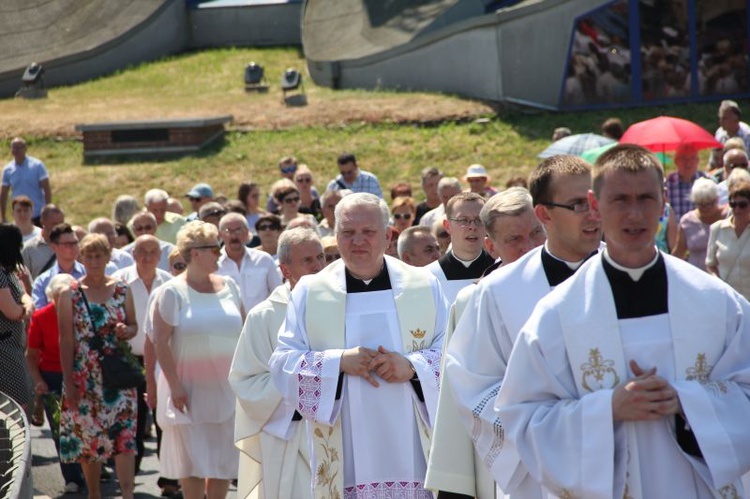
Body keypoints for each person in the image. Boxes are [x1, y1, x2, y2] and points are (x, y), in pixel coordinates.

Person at [496, 144, 750, 498]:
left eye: (646, 198)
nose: (635, 214)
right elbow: (524, 417)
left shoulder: (715, 302)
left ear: (664, 202)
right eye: (620, 200)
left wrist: (686, 402)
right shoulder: (557, 316)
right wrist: (608, 409)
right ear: (595, 205)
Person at [435, 159, 601, 498]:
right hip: (536, 464)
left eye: (534, 235)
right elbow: (471, 384)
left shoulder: (615, 271)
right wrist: (548, 425)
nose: (528, 246)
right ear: (491, 247)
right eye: (514, 239)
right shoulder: (491, 295)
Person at [269, 193, 448, 498]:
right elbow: (282, 363)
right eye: (348, 233)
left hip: (413, 443)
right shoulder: (311, 291)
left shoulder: (423, 284)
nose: (358, 242)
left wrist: (412, 366)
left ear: (388, 235)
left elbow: (453, 353)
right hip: (346, 445)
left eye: (368, 232)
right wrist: (337, 362)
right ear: (335, 235)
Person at [229, 228, 325, 499]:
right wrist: (306, 384)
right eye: (308, 260)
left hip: (339, 430)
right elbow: (246, 381)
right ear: (285, 269)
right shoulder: (265, 316)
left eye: (321, 257)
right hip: (289, 435)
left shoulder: (343, 306)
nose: (318, 266)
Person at [150, 221, 243, 499]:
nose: (220, 253)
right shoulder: (172, 291)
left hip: (226, 389)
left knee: (222, 460)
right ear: (195, 253)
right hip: (188, 390)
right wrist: (175, 385)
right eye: (215, 247)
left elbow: (244, 330)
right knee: (190, 462)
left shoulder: (231, 286)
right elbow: (160, 342)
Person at [58, 233, 138, 499]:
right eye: (88, 255)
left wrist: (127, 329)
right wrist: (68, 381)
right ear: (81, 257)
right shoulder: (69, 294)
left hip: (118, 375)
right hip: (85, 377)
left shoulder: (122, 289)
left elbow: (134, 325)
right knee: (91, 441)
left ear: (107, 257)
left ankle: (128, 494)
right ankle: (94, 494)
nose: (93, 260)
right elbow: (66, 339)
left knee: (124, 439)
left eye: (98, 255)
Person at [113, 235, 173, 474]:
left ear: (160, 256)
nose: (148, 257)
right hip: (130, 359)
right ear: (133, 254)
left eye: (153, 252)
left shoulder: (169, 282)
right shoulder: (120, 281)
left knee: (165, 420)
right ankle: (131, 475)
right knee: (133, 420)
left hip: (163, 360)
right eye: (142, 251)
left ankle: (169, 477)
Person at [26, 273, 86, 493]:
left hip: (82, 374)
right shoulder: (41, 317)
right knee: (61, 428)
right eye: (61, 295)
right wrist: (38, 381)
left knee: (86, 424)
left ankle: (91, 468)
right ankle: (73, 477)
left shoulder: (83, 315)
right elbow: (31, 355)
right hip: (52, 375)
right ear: (51, 296)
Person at [427, 192, 494, 304]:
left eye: (479, 220)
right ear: (447, 226)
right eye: (463, 220)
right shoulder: (429, 277)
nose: (472, 227)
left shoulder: (500, 270)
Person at [216, 213, 281, 313]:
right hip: (226, 325)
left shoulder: (264, 260)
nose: (234, 236)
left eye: (238, 230)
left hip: (261, 324)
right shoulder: (214, 264)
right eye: (228, 230)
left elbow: (279, 295)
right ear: (220, 235)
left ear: (247, 232)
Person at [0, 223, 34, 408]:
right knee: (16, 405)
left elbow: (23, 294)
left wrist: (27, 302)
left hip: (14, 347)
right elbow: (13, 312)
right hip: (4, 350)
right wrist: (26, 309)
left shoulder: (9, 272)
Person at [706, 179, 750, 301]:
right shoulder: (717, 229)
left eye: (742, 205)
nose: (737, 209)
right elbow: (710, 264)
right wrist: (718, 283)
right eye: (733, 205)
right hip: (728, 299)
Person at [672, 178, 728, 271]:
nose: (705, 208)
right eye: (700, 204)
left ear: (717, 199)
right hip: (697, 277)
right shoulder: (687, 221)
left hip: (726, 277)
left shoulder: (728, 216)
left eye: (709, 203)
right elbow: (678, 253)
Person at [31, 223, 86, 309]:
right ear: (53, 247)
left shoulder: (87, 273)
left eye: (75, 242)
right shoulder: (42, 282)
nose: (74, 247)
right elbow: (39, 313)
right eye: (68, 244)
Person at [1, 137, 51, 225]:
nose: (16, 150)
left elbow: (46, 189)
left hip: (37, 214)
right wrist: (3, 216)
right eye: (14, 148)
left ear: (25, 148)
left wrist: (47, 210)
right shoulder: (8, 170)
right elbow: (4, 194)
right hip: (19, 215)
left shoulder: (37, 166)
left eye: (19, 147)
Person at [666, 143, 708, 220]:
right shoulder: (668, 184)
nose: (688, 163)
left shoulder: (707, 182)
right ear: (676, 161)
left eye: (692, 158)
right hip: (675, 230)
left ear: (697, 161)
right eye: (683, 158)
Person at [22, 203, 64, 279]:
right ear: (42, 222)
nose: (59, 227)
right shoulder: (29, 249)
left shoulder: (70, 246)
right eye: (54, 224)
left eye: (61, 223)